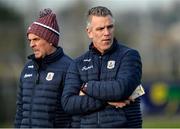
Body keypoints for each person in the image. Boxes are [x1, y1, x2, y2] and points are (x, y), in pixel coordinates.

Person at [61, 6, 143, 128]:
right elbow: (68, 103)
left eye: (110, 27)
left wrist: (86, 87)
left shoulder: (129, 56)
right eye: (100, 29)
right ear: (89, 32)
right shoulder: (78, 63)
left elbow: (120, 90)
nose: (106, 33)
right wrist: (107, 99)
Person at [14, 8, 72, 128]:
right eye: (30, 40)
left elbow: (74, 113)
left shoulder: (69, 67)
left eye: (36, 39)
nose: (31, 44)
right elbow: (20, 109)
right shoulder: (27, 68)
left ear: (50, 40)